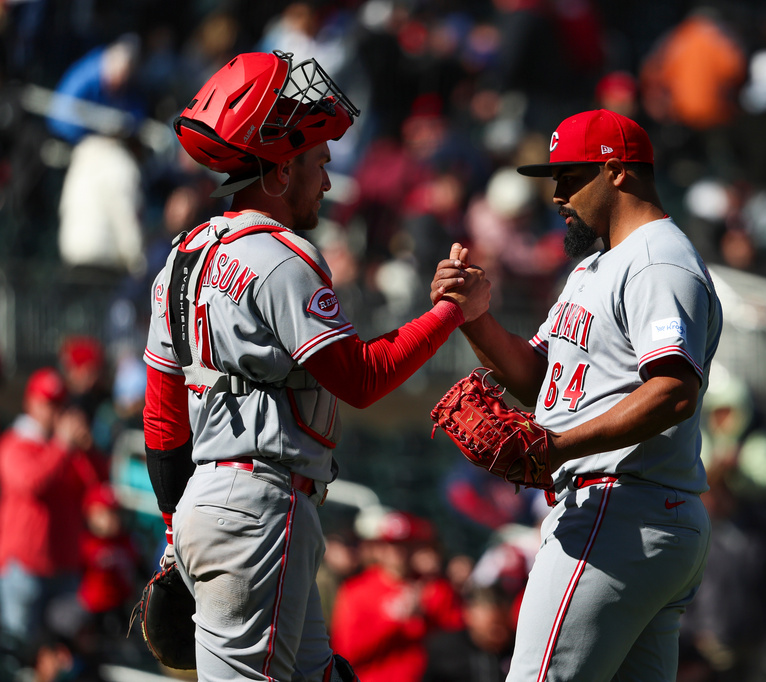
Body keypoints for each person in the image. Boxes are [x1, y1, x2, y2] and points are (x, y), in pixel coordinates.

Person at [141, 50, 489, 682]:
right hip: (258, 505)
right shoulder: (281, 257)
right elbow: (359, 380)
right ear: (278, 173)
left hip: (214, 502)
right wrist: (449, 314)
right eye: (319, 163)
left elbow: (162, 416)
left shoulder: (181, 259)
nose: (327, 181)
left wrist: (173, 530)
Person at [431, 108, 721, 681]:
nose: (557, 194)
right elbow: (542, 378)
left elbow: (673, 391)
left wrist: (558, 446)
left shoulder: (658, 260)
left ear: (617, 172)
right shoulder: (597, 265)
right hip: (633, 511)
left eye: (570, 176)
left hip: (620, 508)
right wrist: (475, 319)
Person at [0, 368, 102, 652]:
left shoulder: (67, 448)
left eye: (60, 403)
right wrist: (63, 446)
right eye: (48, 403)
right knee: (20, 651)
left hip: (65, 569)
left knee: (65, 652)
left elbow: (96, 486)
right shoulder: (14, 444)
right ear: (30, 403)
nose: (55, 411)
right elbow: (31, 483)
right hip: (25, 569)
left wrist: (88, 450)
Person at [330, 511, 463, 682]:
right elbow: (345, 652)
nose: (398, 552)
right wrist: (391, 621)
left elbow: (460, 644)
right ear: (379, 547)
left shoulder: (437, 588)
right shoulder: (356, 590)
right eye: (390, 544)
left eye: (406, 544)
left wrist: (425, 617)